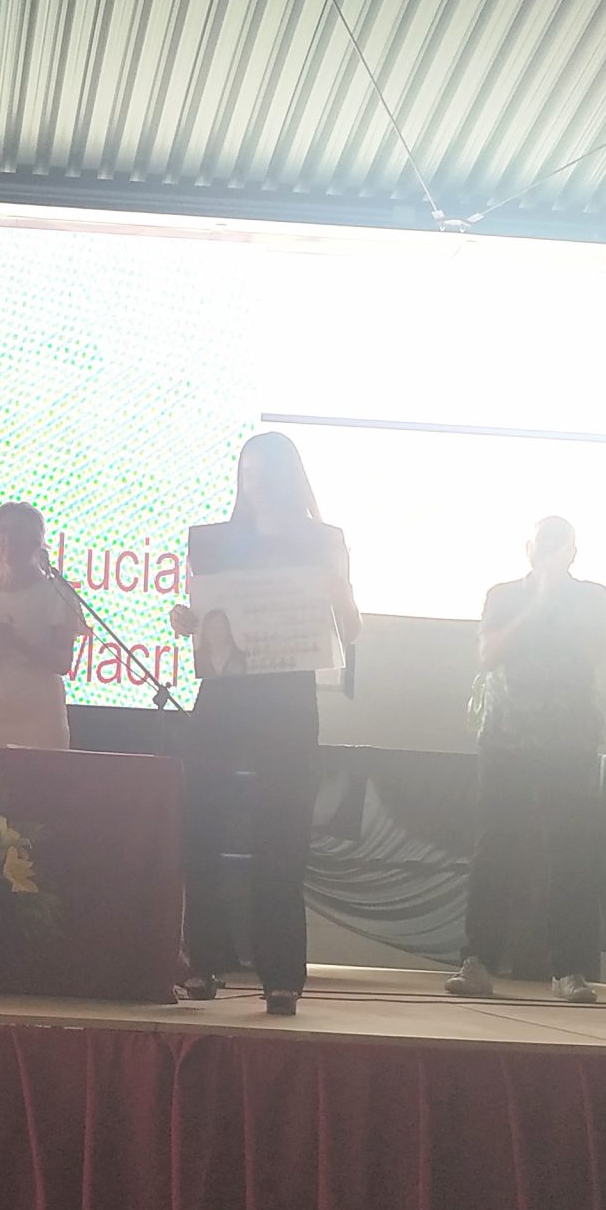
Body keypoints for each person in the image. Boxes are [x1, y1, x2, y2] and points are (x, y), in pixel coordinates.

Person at [170, 432, 358, 1016]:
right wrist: (186, 621)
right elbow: (203, 618)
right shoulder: (216, 541)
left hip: (288, 697)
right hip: (225, 693)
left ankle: (281, 975)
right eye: (247, 473)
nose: (255, 483)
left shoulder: (323, 541)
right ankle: (202, 962)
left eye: (265, 472)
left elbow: (351, 629)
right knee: (201, 822)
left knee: (283, 829)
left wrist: (336, 592)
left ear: (288, 476)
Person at [446, 516, 606, 1004]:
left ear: (573, 553)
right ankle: (478, 961)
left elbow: (596, 654)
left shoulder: (592, 597)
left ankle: (569, 970)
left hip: (570, 742)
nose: (550, 554)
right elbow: (488, 654)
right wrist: (537, 604)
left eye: (560, 547)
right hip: (506, 739)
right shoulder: (503, 596)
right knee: (494, 848)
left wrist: (558, 601)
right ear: (528, 549)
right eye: (543, 545)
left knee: (571, 853)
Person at [0, 502, 85, 748]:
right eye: (2, 531)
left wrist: (18, 642)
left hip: (42, 720)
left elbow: (62, 663)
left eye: (17, 531)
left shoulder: (57, 593)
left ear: (35, 541)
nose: (8, 539)